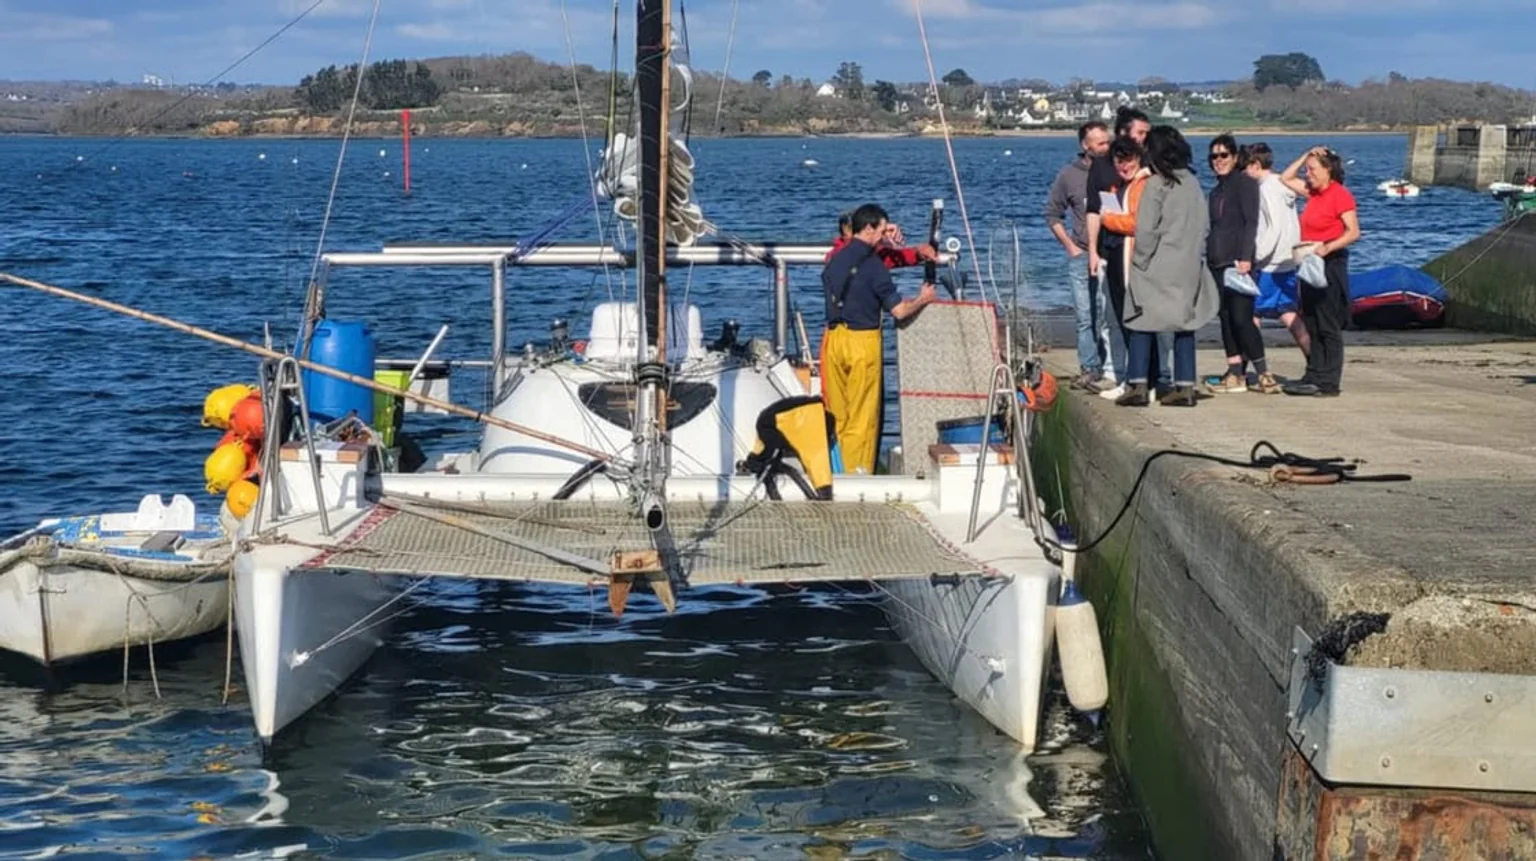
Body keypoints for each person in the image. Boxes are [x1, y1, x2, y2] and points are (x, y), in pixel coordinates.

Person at [820, 203, 938, 473]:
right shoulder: (875, 267)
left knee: (837, 415)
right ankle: (856, 476)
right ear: (869, 229)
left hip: (834, 340)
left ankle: (834, 472)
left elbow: (855, 259)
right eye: (883, 231)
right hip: (862, 343)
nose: (887, 236)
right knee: (863, 420)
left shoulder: (835, 258)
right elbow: (899, 311)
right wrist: (923, 298)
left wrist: (889, 241)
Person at [1114, 126, 1218, 408]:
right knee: (1185, 324)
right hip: (1187, 263)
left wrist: (1140, 260)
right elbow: (1205, 226)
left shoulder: (1156, 184)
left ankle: (1138, 385)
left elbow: (1146, 229)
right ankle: (1185, 386)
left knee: (1140, 320)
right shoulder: (1193, 183)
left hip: (1156, 264)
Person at [1278, 146, 1360, 397]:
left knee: (1328, 323)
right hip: (1309, 262)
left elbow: (1353, 232)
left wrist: (1328, 247)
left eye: (1313, 169)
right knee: (1311, 320)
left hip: (1330, 262)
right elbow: (1286, 178)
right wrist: (1307, 154)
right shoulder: (1313, 193)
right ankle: (1314, 374)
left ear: (1328, 170)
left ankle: (1329, 381)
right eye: (1307, 170)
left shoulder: (1340, 195)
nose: (1308, 174)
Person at [1203, 135, 1274, 394]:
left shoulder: (1245, 183)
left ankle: (1264, 372)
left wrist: (1246, 257)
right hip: (1217, 261)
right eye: (1214, 156)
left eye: (1223, 155)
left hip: (1238, 261)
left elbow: (1251, 222)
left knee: (1242, 318)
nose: (1218, 160)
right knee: (1225, 317)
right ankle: (1235, 372)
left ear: (1234, 157)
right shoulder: (1216, 191)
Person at [1045, 120, 1111, 390]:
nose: (1106, 147)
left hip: (1110, 253)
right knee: (1085, 315)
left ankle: (1111, 367)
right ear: (1085, 145)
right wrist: (1070, 246)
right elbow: (1052, 214)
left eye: (1107, 142)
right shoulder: (1069, 175)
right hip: (1081, 253)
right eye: (1100, 143)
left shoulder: (1115, 169)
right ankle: (1089, 367)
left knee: (1107, 315)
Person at [1243, 143, 1311, 358]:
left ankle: (1247, 365)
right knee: (1289, 314)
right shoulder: (1283, 184)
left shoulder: (1265, 189)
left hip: (1270, 264)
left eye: (1244, 167)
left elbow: (1273, 227)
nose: (1243, 173)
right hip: (1289, 260)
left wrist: (1256, 256)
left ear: (1255, 165)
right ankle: (1314, 359)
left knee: (1251, 315)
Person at [1096, 136, 1149, 400]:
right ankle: (1133, 378)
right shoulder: (1119, 186)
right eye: (1119, 161)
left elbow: (1138, 223)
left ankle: (1138, 381)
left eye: (1128, 160)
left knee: (1135, 323)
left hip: (1133, 262)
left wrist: (1108, 218)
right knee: (1121, 318)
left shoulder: (1143, 184)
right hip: (1116, 258)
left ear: (1138, 158)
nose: (1124, 165)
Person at [826, 211, 936, 267]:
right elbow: (850, 256)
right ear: (846, 231)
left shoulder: (874, 255)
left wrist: (919, 252)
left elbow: (900, 257)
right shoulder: (836, 256)